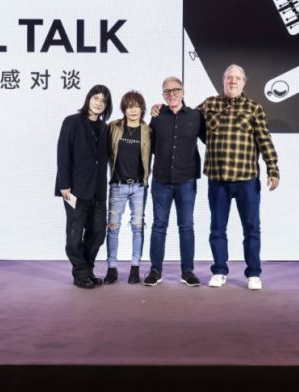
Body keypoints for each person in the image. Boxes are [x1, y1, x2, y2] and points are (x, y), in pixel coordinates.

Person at [196, 64, 279, 290]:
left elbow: (264, 140)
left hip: (246, 180)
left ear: (244, 83)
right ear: (223, 81)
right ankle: (219, 271)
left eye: (237, 78)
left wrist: (273, 169)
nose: (232, 81)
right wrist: (161, 109)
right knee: (217, 229)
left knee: (251, 229)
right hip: (218, 179)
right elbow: (187, 121)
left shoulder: (254, 108)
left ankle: (253, 274)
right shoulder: (209, 104)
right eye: (229, 77)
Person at [146, 76, 204, 287]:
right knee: (159, 226)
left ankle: (188, 271)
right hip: (161, 180)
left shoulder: (196, 116)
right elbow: (148, 146)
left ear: (183, 91)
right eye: (167, 91)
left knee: (186, 226)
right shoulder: (157, 116)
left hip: (186, 180)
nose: (172, 94)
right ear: (163, 94)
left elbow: (211, 140)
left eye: (175, 90)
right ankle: (155, 270)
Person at [55, 84, 112, 289]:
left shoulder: (105, 128)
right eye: (96, 98)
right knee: (74, 234)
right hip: (74, 189)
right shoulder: (72, 122)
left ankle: (87, 269)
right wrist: (64, 185)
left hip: (98, 190)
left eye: (103, 101)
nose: (99, 103)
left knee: (98, 233)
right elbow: (63, 153)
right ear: (88, 99)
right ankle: (80, 273)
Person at [104, 91, 152, 285]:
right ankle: (112, 268)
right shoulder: (113, 127)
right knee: (112, 228)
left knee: (137, 228)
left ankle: (135, 268)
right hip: (118, 185)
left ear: (142, 109)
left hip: (139, 187)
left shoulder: (148, 131)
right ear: (124, 109)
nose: (133, 110)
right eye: (129, 107)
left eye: (136, 106)